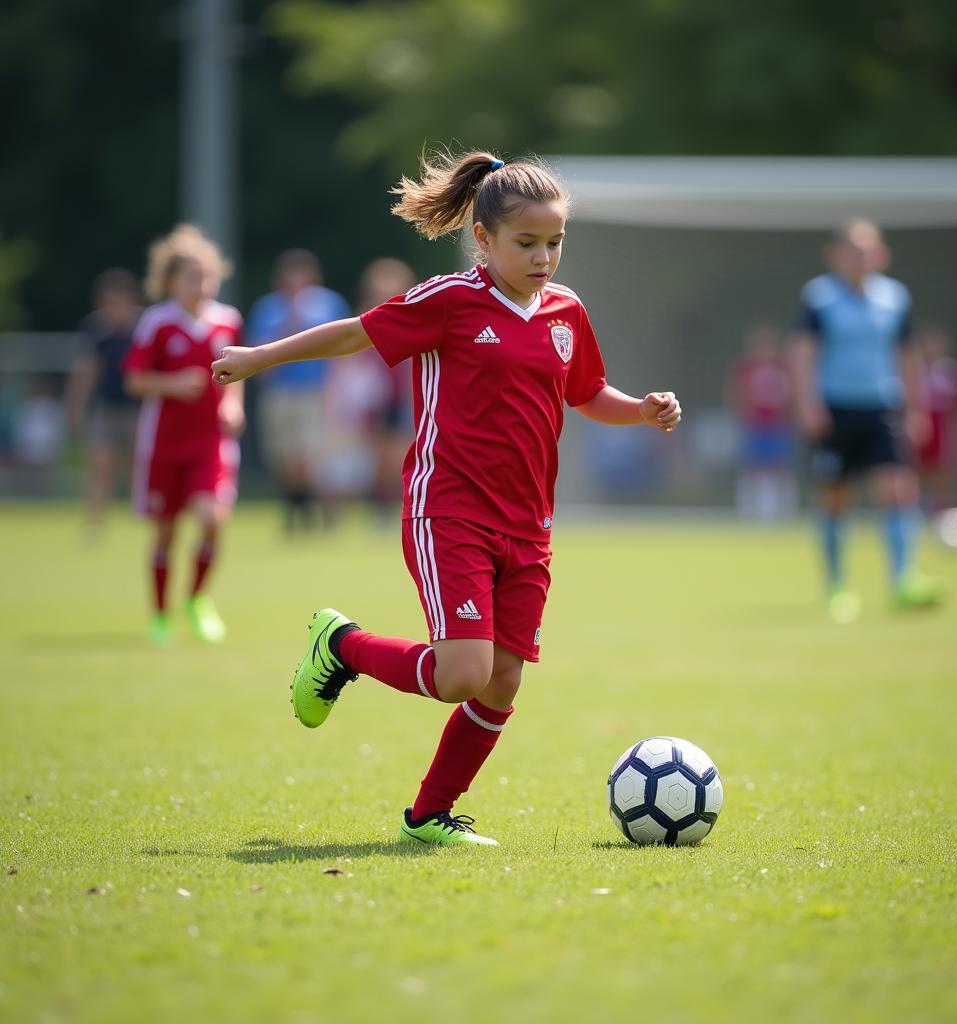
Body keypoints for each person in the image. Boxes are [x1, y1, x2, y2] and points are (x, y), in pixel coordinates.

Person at [212, 149, 681, 846]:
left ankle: (427, 817)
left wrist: (640, 409)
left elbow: (585, 393)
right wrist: (257, 358)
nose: (544, 257)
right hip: (449, 510)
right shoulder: (450, 300)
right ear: (484, 240)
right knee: (465, 673)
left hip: (530, 530)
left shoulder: (565, 312)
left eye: (554, 242)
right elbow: (354, 334)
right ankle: (343, 646)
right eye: (527, 243)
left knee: (502, 684)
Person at [789, 218, 940, 623]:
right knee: (836, 497)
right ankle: (838, 586)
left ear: (880, 254)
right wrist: (807, 403)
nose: (860, 257)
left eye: (866, 249)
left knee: (897, 487)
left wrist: (916, 407)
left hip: (881, 407)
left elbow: (907, 355)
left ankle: (903, 579)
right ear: (835, 254)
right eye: (852, 249)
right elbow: (803, 352)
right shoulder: (819, 298)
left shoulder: (894, 298)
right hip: (834, 409)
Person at [123, 224, 245, 645]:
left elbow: (237, 372)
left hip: (210, 442)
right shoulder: (156, 322)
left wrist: (233, 402)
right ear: (171, 280)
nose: (202, 285)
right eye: (192, 277)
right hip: (163, 444)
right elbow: (135, 380)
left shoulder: (227, 320)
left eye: (208, 276)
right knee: (166, 531)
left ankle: (196, 599)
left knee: (212, 519)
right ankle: (160, 615)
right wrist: (173, 385)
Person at [247, 249, 350, 531]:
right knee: (283, 457)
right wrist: (289, 323)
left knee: (308, 456)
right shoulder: (268, 309)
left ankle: (313, 515)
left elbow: (342, 349)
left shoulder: (329, 305)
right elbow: (257, 353)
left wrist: (336, 391)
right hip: (279, 392)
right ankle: (293, 511)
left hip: (314, 391)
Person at [65, 269, 142, 536]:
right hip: (105, 409)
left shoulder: (144, 328)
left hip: (138, 409)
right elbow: (87, 371)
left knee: (137, 467)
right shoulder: (96, 330)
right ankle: (95, 522)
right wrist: (74, 407)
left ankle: (140, 519)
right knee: (100, 464)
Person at [357, 258, 417, 518]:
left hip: (403, 396)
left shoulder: (414, 317)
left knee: (399, 451)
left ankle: (397, 503)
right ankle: (382, 504)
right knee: (378, 453)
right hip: (373, 398)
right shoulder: (364, 320)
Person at [728, 324, 797, 520]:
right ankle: (750, 510)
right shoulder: (746, 368)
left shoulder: (782, 368)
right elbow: (737, 394)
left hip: (776, 425)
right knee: (752, 467)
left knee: (779, 466)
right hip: (755, 424)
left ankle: (782, 511)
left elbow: (790, 395)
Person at [914, 324, 957, 513]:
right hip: (920, 432)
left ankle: (947, 520)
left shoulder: (952, 372)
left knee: (944, 479)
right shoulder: (914, 370)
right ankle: (918, 518)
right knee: (916, 478)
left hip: (943, 435)